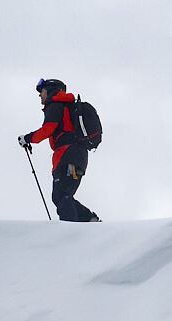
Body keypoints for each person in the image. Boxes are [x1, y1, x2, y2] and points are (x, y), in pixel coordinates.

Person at [18, 79, 100, 222]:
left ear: (50, 90)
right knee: (62, 196)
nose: (40, 96)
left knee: (61, 196)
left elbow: (48, 129)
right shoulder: (65, 106)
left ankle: (71, 232)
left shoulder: (55, 105)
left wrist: (27, 138)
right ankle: (89, 221)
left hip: (67, 154)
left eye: (42, 91)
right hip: (77, 155)